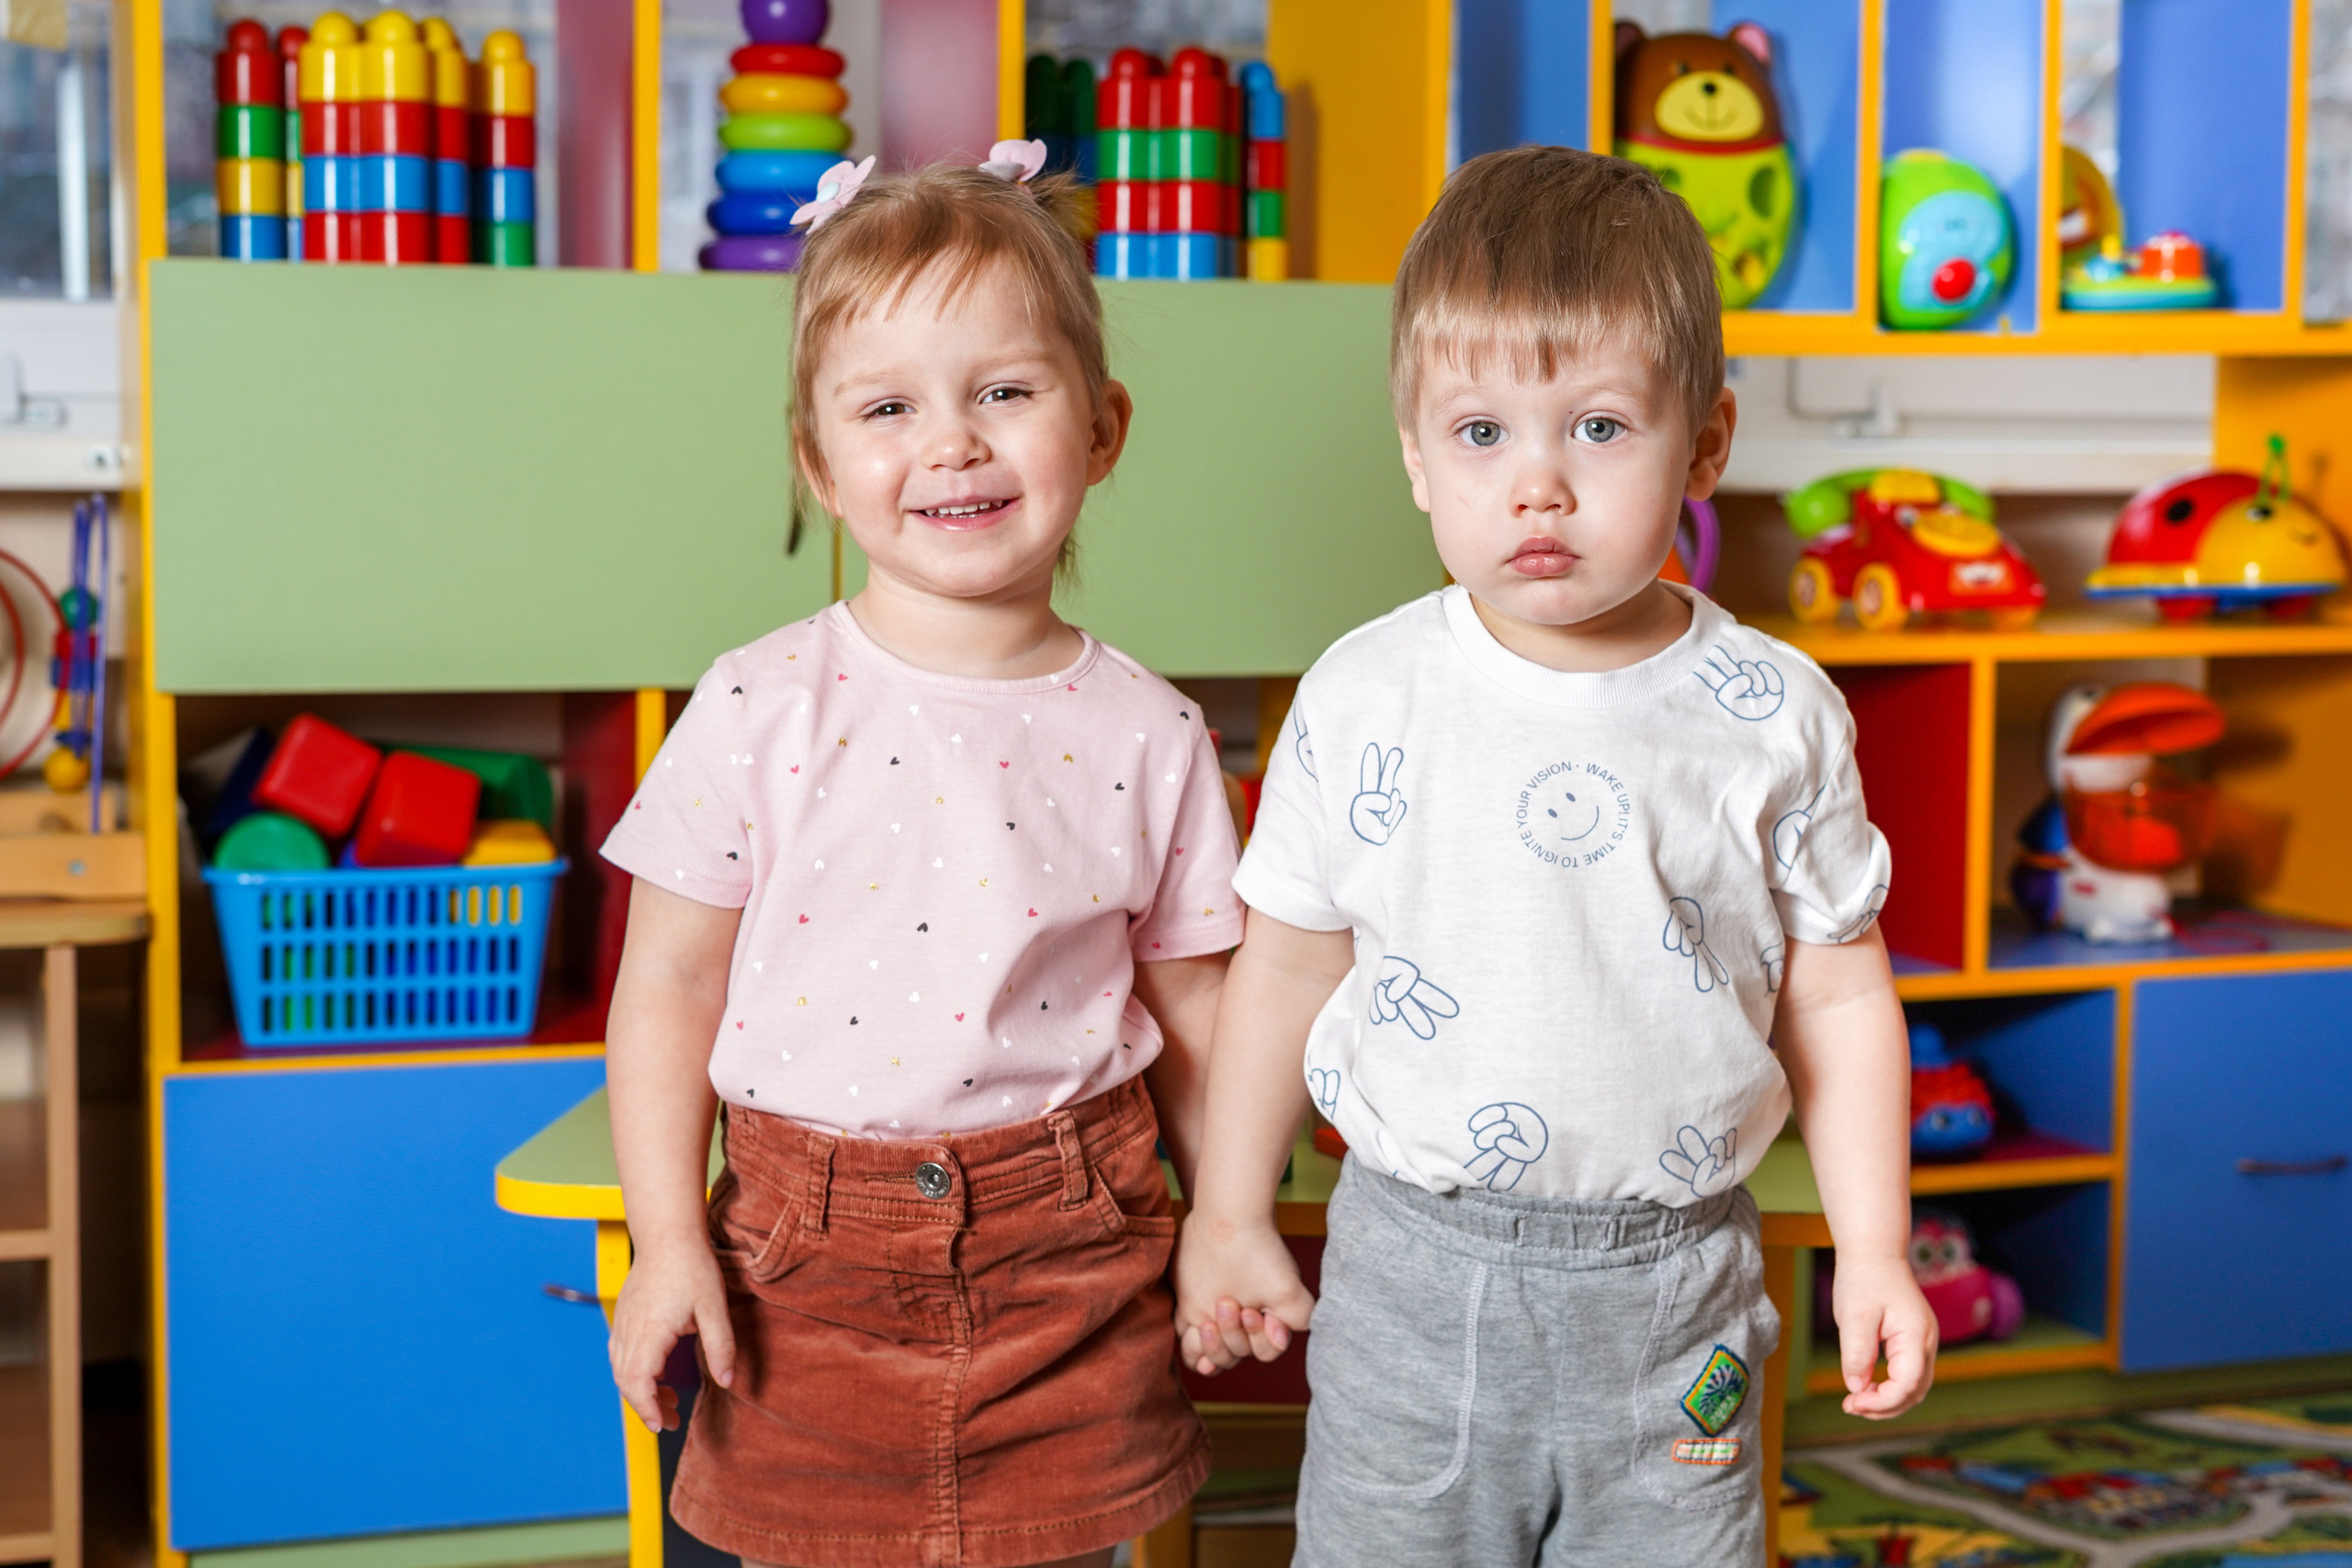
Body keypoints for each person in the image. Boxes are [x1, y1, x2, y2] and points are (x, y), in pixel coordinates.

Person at [1172, 145, 1939, 1566]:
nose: (1538, 485)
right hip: (1414, 1271)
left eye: (1596, 428)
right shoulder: (1363, 693)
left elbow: (1838, 997)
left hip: (1679, 1287)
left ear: (1704, 445)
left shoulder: (1772, 711)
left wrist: (1876, 1249)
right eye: (1480, 435)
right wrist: (1228, 1211)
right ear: (1413, 454)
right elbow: (1280, 970)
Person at [600, 149, 1240, 1568]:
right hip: (798, 1270)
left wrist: (1230, 1220)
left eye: (1004, 393)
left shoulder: (1152, 728)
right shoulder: (757, 702)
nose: (952, 443)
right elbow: (666, 991)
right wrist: (665, 1240)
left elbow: (1197, 1014)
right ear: (825, 466)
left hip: (1073, 1255)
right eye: (889, 408)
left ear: (1104, 425)